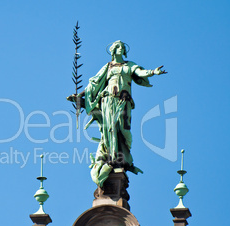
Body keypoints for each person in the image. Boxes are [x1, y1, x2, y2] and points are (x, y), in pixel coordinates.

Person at [68, 40, 166, 187]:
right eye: (118, 47)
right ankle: (112, 157)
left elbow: (140, 72)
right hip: (108, 100)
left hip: (123, 101)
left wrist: (153, 72)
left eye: (122, 47)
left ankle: (123, 156)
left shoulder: (129, 65)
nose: (121, 49)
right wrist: (79, 96)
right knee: (110, 128)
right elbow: (93, 83)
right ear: (113, 50)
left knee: (124, 130)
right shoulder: (108, 67)